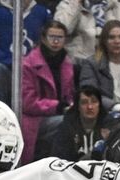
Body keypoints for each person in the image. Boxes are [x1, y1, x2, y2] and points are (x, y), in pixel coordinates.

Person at [20, 19, 75, 161]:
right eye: (52, 37)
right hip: (35, 119)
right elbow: (28, 103)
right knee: (66, 122)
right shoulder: (28, 64)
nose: (56, 41)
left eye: (60, 37)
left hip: (59, 113)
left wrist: (71, 106)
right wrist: (58, 107)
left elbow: (70, 95)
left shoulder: (67, 63)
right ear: (43, 39)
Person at [54, 0, 120, 62]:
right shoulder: (68, 4)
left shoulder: (118, 8)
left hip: (112, 64)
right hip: (79, 64)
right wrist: (76, 4)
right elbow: (59, 32)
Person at [52, 84, 106, 160]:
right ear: (78, 107)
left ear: (100, 105)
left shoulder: (108, 127)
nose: (90, 107)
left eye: (94, 101)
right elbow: (58, 160)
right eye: (84, 102)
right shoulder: (66, 128)